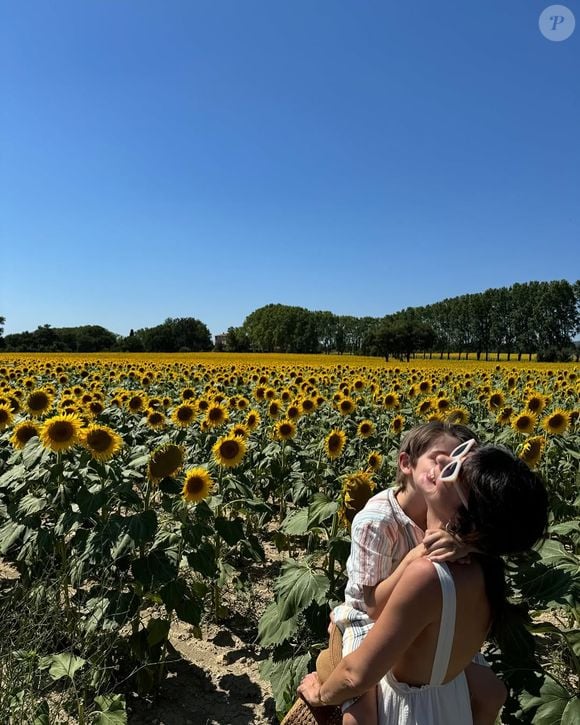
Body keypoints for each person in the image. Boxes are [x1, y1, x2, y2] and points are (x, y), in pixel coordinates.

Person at [298, 443, 549, 725]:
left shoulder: (428, 577)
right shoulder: (486, 568)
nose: (442, 460)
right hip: (451, 704)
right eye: (457, 454)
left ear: (466, 518)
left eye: (453, 470)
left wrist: (319, 695)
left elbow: (355, 675)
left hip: (409, 713)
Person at [331, 422, 506, 725]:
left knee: (492, 694)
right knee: (360, 716)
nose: (449, 473)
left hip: (426, 617)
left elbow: (491, 542)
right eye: (440, 460)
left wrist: (464, 544)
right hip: (367, 618)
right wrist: (415, 557)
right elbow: (370, 604)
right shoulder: (377, 521)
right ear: (406, 464)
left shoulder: (452, 516)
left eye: (458, 469)